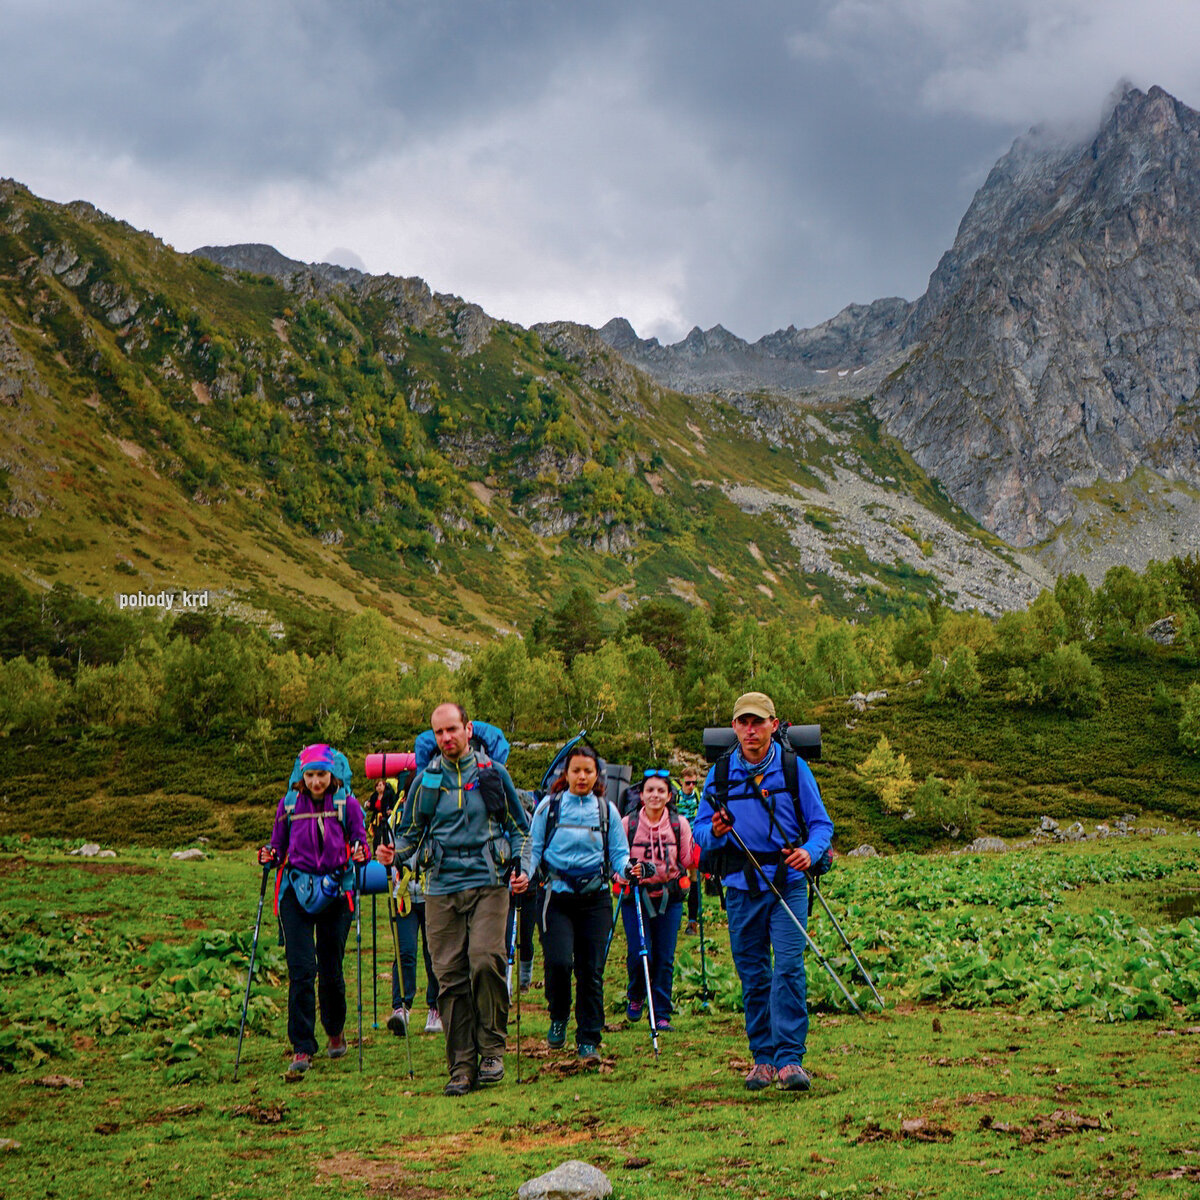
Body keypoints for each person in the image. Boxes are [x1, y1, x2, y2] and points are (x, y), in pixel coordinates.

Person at [377, 703, 530, 1096]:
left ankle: (492, 1050)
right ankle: (461, 1066)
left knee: (485, 960)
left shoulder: (493, 776)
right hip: (441, 886)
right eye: (439, 732)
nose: (446, 738)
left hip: (490, 882)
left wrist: (523, 868)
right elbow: (409, 834)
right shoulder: (424, 782)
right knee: (448, 976)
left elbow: (520, 830)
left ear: (468, 729)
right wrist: (395, 854)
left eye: (452, 730)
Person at [693, 693, 833, 1093]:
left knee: (788, 968)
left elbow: (822, 824)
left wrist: (810, 851)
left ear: (774, 724)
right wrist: (714, 833)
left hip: (787, 884)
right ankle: (763, 1059)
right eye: (743, 723)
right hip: (740, 888)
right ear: (734, 727)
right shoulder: (719, 774)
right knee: (753, 975)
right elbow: (699, 831)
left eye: (758, 722)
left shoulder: (794, 768)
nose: (750, 730)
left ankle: (790, 1059)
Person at [257, 743, 371, 1075]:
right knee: (302, 969)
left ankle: (335, 1031)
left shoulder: (347, 804)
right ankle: (302, 1047)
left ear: (332, 774)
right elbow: (278, 847)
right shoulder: (288, 805)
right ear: (301, 775)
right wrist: (269, 855)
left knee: (332, 967)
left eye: (321, 774)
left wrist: (361, 851)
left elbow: (360, 841)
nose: (316, 781)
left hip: (336, 892)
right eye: (310, 775)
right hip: (296, 891)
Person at [514, 744, 630, 1063]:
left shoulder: (607, 811)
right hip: (555, 896)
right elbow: (533, 848)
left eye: (588, 771)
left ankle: (589, 1037)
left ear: (597, 775)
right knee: (559, 963)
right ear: (565, 774)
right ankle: (559, 1014)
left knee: (591, 969)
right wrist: (525, 873)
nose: (582, 776)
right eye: (576, 770)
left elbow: (619, 854)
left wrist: (627, 870)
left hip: (596, 898)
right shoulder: (548, 808)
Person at [621, 770, 694, 1032]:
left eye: (661, 791)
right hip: (635, 898)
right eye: (650, 790)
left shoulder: (679, 824)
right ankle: (637, 994)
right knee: (640, 952)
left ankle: (661, 1013)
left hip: (670, 897)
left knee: (664, 956)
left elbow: (687, 860)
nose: (655, 795)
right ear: (641, 795)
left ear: (669, 796)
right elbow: (617, 862)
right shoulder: (627, 823)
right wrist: (626, 873)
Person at [677, 769, 702, 934]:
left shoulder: (698, 796)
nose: (691, 786)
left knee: (694, 880)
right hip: (677, 841)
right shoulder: (674, 797)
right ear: (681, 782)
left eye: (694, 782)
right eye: (688, 783)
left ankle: (692, 922)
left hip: (694, 842)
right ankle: (674, 918)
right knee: (677, 879)